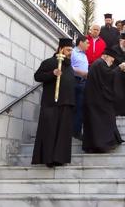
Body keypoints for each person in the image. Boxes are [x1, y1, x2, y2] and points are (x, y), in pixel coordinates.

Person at [32, 38, 75, 168]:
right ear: (60, 49)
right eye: (68, 50)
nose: (70, 53)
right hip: (51, 103)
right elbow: (37, 76)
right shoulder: (49, 62)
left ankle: (59, 158)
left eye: (71, 50)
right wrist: (52, 73)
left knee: (63, 133)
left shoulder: (69, 66)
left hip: (66, 104)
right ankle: (48, 159)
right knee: (50, 131)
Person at [82, 48, 125, 153]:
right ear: (106, 56)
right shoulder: (100, 64)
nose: (112, 63)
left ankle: (107, 142)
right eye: (111, 60)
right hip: (97, 101)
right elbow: (108, 76)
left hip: (96, 99)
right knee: (104, 120)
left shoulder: (98, 64)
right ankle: (103, 144)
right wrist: (118, 68)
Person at [71, 36, 89, 140]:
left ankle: (76, 131)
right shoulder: (73, 52)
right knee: (74, 107)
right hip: (74, 81)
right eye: (87, 42)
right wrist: (80, 72)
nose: (88, 44)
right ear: (80, 43)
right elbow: (68, 66)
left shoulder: (84, 55)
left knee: (80, 107)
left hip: (83, 83)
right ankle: (71, 130)